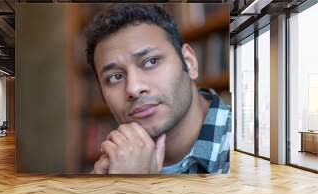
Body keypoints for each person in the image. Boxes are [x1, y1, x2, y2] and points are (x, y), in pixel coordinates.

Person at [85, 4, 231, 174]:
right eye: (115, 77)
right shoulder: (111, 167)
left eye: (151, 61)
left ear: (189, 62)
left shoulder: (255, 145)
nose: (133, 88)